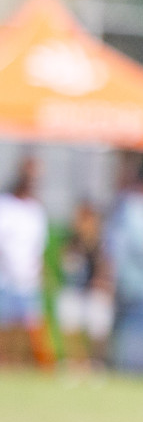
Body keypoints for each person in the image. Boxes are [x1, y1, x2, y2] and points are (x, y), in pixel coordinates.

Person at [107, 159, 143, 373]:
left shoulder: (123, 204)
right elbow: (142, 242)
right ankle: (137, 369)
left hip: (127, 277)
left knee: (127, 326)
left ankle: (126, 367)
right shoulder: (135, 205)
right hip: (138, 280)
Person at [0, 156, 53, 368]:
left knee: (32, 329)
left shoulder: (36, 210)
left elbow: (38, 249)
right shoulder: (5, 206)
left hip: (28, 280)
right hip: (5, 279)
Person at [57, 202, 114, 370]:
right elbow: (67, 264)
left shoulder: (101, 241)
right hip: (75, 289)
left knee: (98, 328)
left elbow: (106, 266)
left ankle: (96, 363)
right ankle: (75, 362)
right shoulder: (72, 240)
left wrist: (104, 283)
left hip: (95, 290)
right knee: (70, 325)